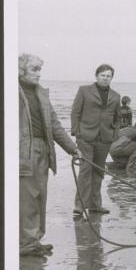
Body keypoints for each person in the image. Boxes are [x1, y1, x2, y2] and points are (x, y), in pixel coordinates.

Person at [19, 54, 81, 256]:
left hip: (43, 150)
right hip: (23, 151)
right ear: (21, 70)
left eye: (39, 70)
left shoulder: (41, 94)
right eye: (34, 69)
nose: (38, 74)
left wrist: (73, 148)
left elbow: (54, 125)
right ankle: (25, 243)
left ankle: (34, 239)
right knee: (27, 198)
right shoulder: (11, 92)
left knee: (40, 196)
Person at [71, 64, 121, 216]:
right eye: (102, 75)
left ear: (111, 78)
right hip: (85, 136)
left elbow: (118, 118)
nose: (105, 78)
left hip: (104, 138)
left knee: (98, 172)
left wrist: (114, 134)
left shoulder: (116, 96)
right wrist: (76, 131)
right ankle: (79, 206)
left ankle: (95, 205)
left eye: (108, 76)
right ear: (96, 76)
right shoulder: (84, 90)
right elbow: (75, 111)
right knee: (85, 171)